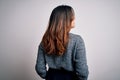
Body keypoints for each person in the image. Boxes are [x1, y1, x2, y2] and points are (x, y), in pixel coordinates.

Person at [35, 5, 89, 80]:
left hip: (52, 77)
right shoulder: (77, 41)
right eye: (72, 16)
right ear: (66, 20)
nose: (74, 18)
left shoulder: (45, 41)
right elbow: (82, 72)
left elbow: (40, 68)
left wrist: (49, 77)